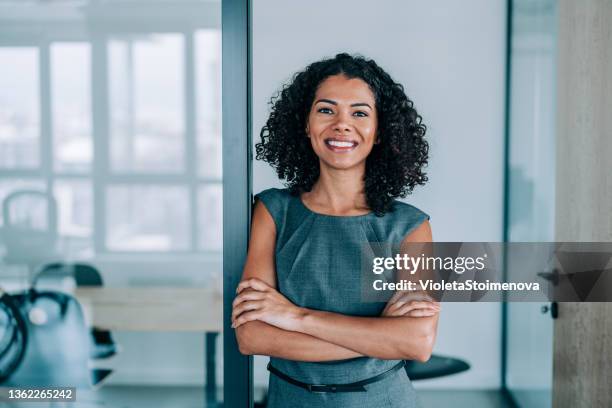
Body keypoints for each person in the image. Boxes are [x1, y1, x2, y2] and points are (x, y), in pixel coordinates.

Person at [232, 53, 440, 407]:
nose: (342, 124)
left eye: (359, 113)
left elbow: (417, 343)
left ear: (378, 133)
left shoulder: (411, 226)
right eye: (326, 110)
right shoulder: (272, 211)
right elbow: (251, 336)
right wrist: (377, 336)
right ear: (306, 124)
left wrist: (293, 317)